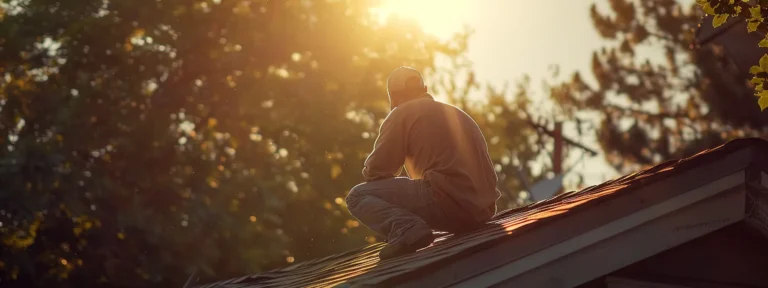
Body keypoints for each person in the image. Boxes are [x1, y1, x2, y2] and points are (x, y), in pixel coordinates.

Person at [345, 66, 500, 260]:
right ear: (425, 89)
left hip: (447, 203)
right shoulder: (457, 114)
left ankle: (406, 228)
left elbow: (377, 170)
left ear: (393, 98)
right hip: (481, 213)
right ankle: (409, 227)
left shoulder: (402, 112)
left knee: (357, 196)